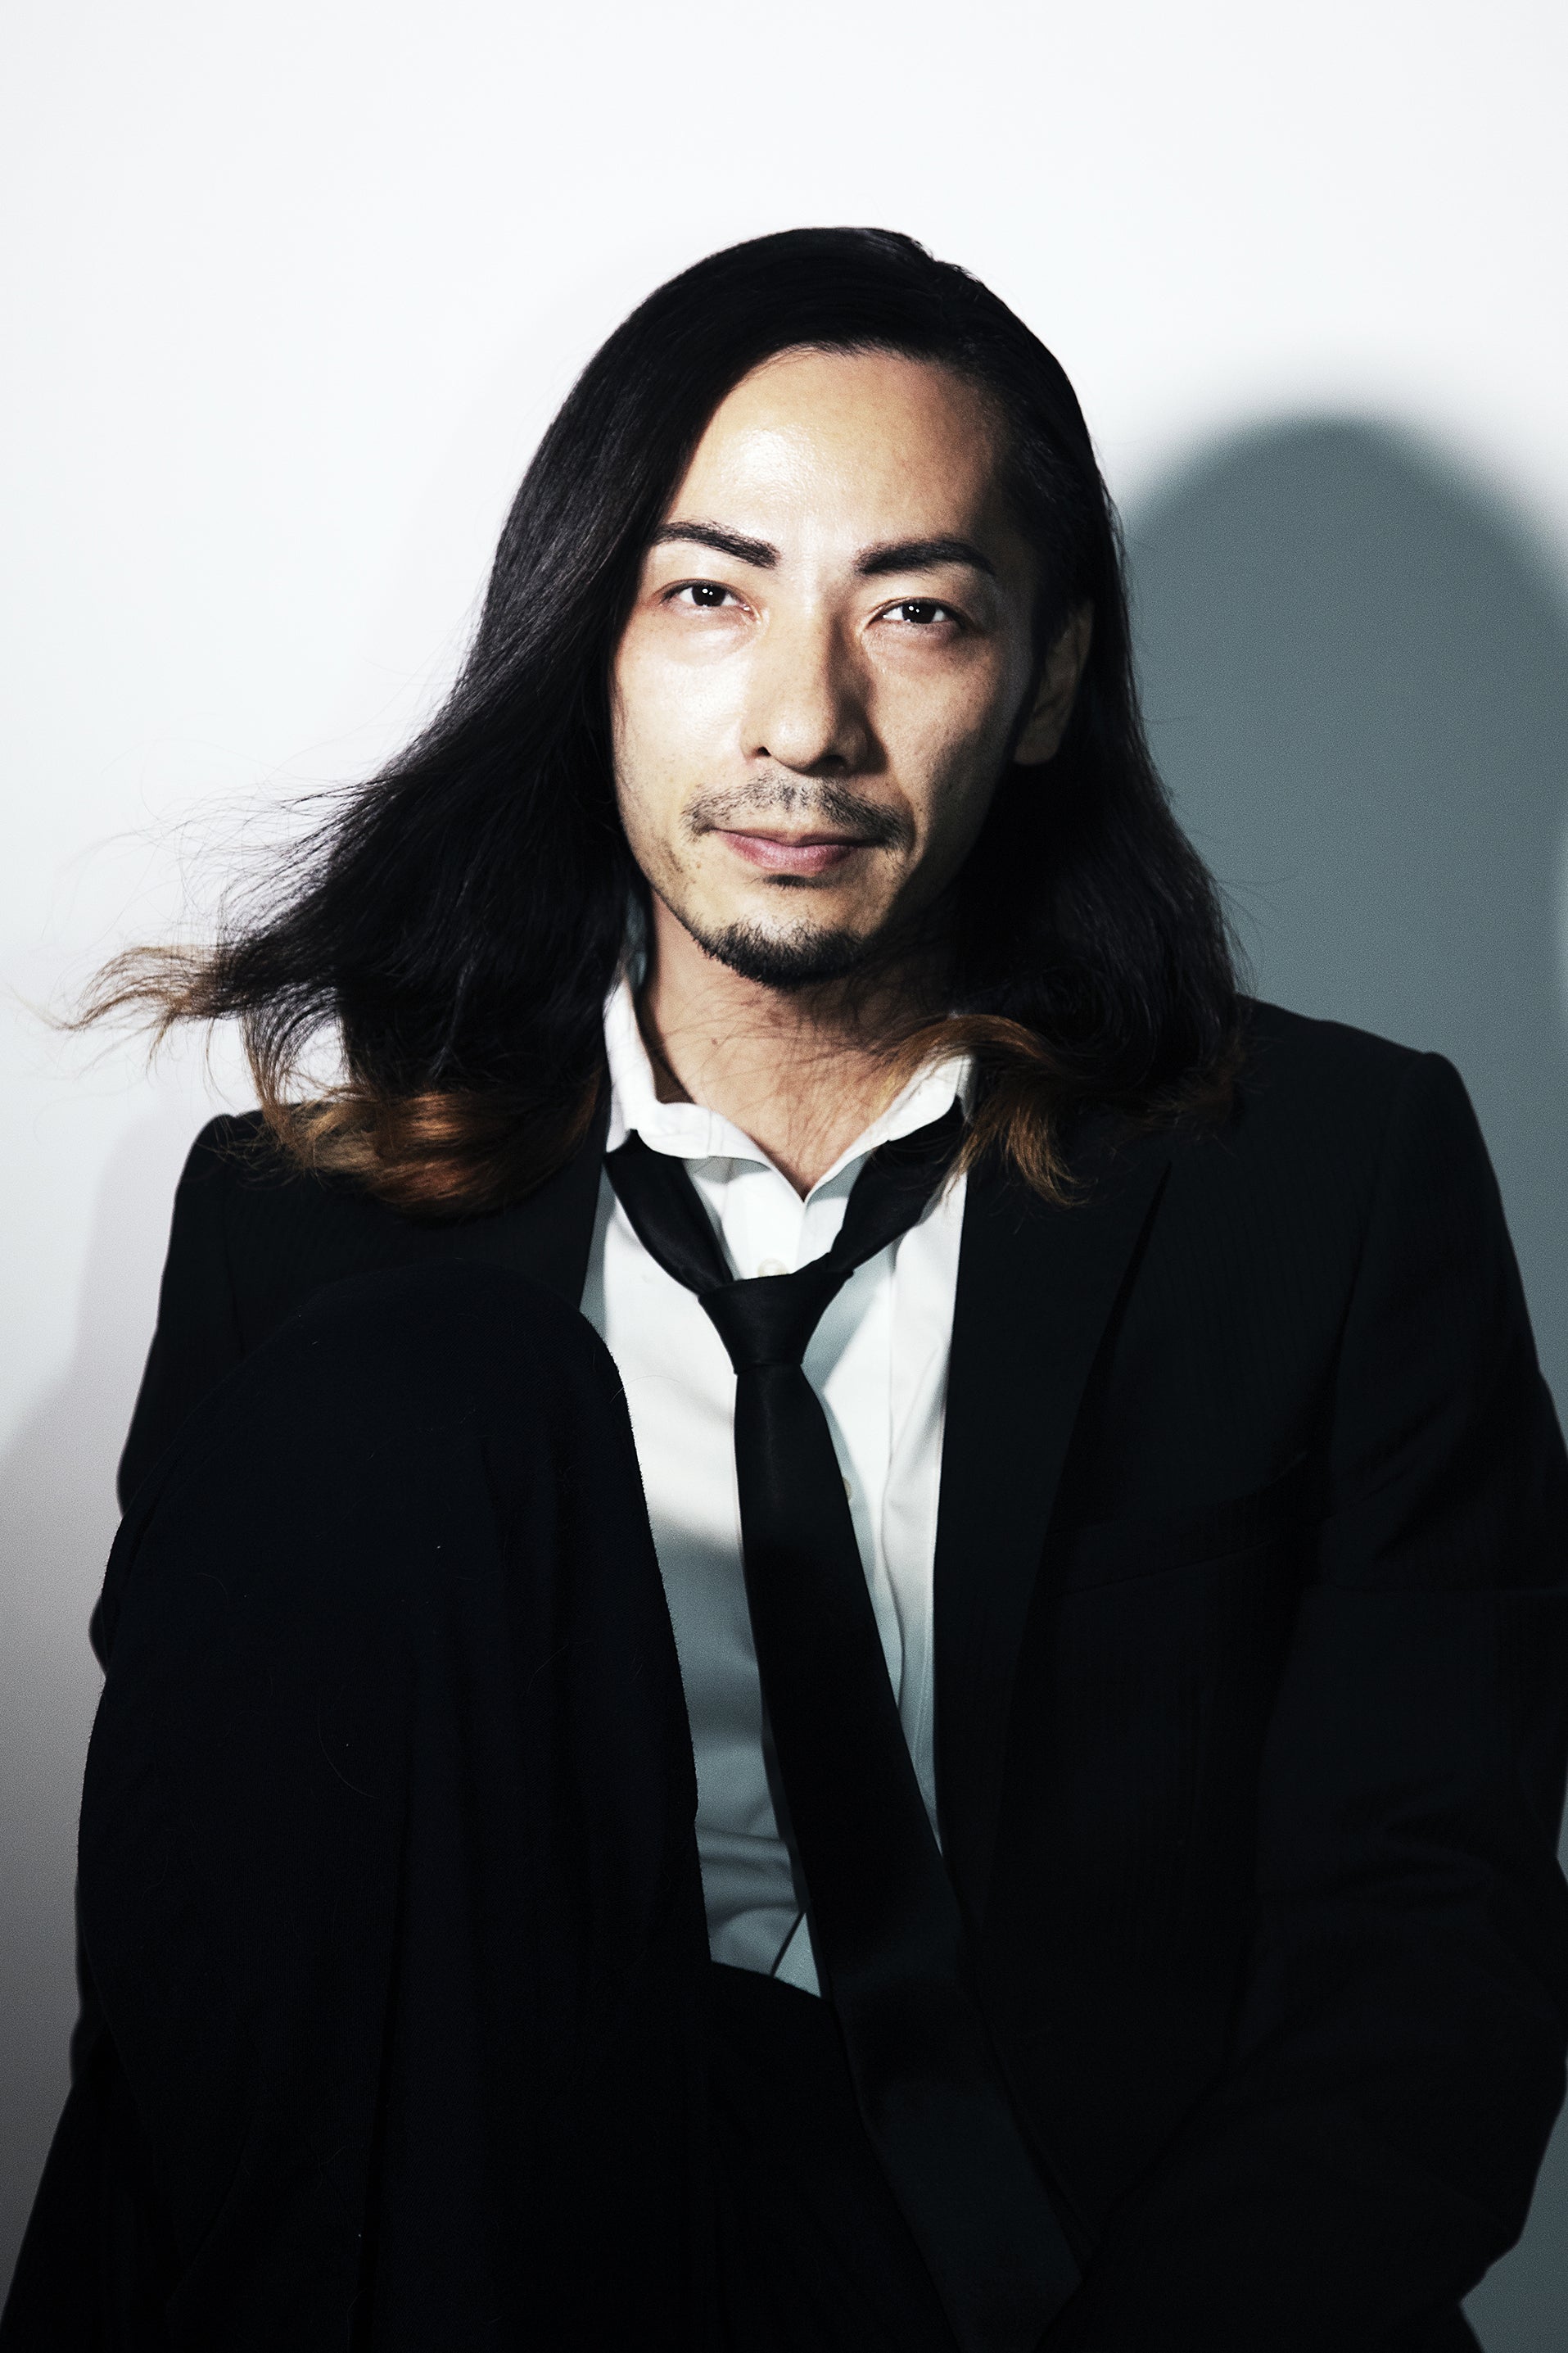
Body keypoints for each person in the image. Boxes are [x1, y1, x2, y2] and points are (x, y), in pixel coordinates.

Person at [4, 227, 1566, 2353]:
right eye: (708, 595)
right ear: (592, 645)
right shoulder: (311, 1237)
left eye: (916, 611)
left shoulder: (1326, 1182)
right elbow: (215, 1945)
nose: (804, 721)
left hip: (1085, 2267)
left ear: (1045, 686)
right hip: (502, 2248)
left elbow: (1433, 1949)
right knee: (435, 1391)